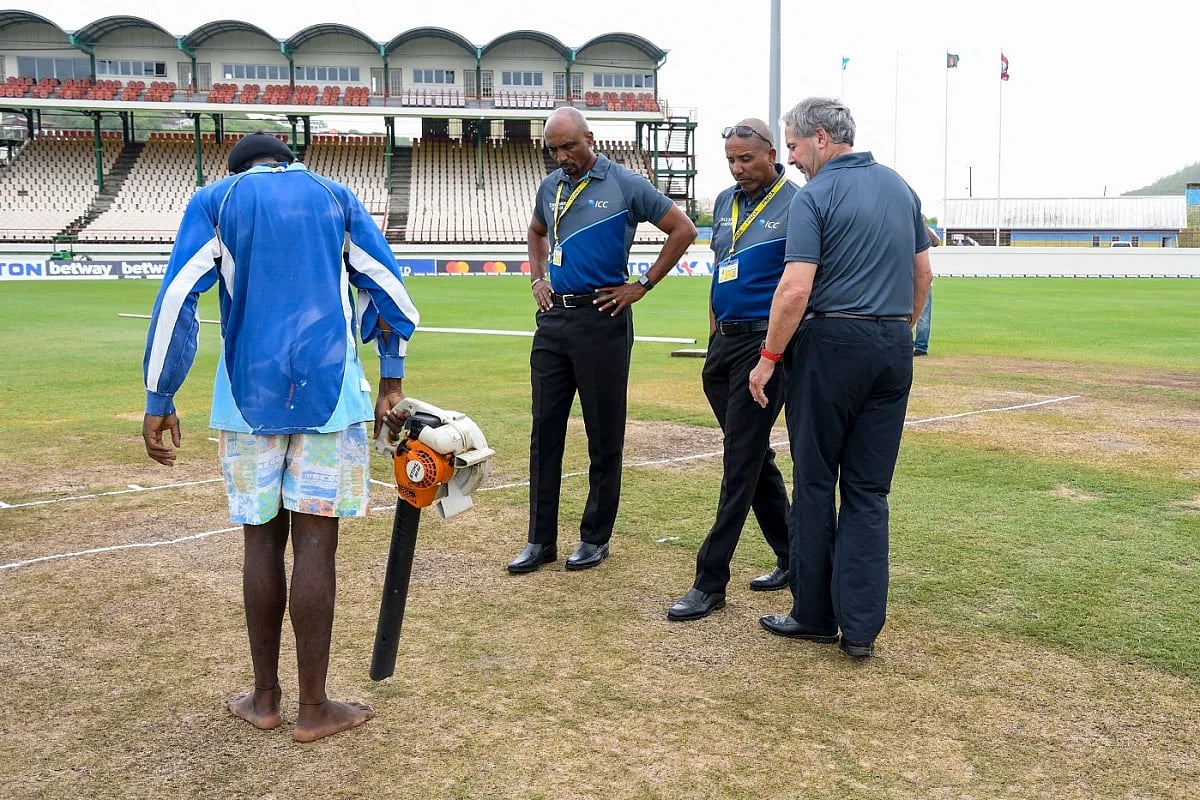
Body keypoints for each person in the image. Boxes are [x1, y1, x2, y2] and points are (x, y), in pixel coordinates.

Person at [141, 133, 420, 741]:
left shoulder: (216, 200)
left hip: (246, 399)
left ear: (240, 168)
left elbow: (176, 300)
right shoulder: (335, 196)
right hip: (332, 395)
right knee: (317, 544)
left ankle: (265, 699)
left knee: (261, 544)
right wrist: (391, 379)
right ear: (289, 162)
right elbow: (390, 292)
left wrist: (160, 396)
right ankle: (315, 708)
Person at [749, 99, 932, 660]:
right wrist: (898, 328)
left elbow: (795, 289)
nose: (792, 158)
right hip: (891, 346)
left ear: (821, 138)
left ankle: (813, 613)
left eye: (794, 146)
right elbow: (923, 275)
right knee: (869, 491)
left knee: (813, 482)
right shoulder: (901, 188)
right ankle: (860, 628)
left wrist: (768, 357)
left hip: (830, 345)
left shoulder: (815, 196)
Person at [507, 107, 697, 574]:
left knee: (603, 434)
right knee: (544, 432)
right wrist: (537, 278)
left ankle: (595, 538)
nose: (561, 157)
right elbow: (536, 231)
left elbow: (683, 229)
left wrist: (642, 285)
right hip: (554, 320)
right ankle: (540, 540)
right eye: (553, 150)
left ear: (590, 139)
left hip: (602, 318)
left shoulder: (626, 184)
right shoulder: (550, 187)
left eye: (569, 147)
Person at [666, 118, 797, 622]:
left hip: (764, 349)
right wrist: (713, 331)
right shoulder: (725, 202)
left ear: (771, 155)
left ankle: (710, 581)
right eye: (730, 161)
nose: (737, 168)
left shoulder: (798, 203)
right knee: (753, 456)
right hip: (723, 344)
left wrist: (772, 352)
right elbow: (722, 268)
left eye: (746, 159)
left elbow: (800, 282)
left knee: (739, 463)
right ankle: (792, 555)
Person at [913, 226, 941, 356]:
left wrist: (922, 226)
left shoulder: (925, 229)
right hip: (905, 278)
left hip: (922, 279)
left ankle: (921, 346)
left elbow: (936, 242)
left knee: (923, 315)